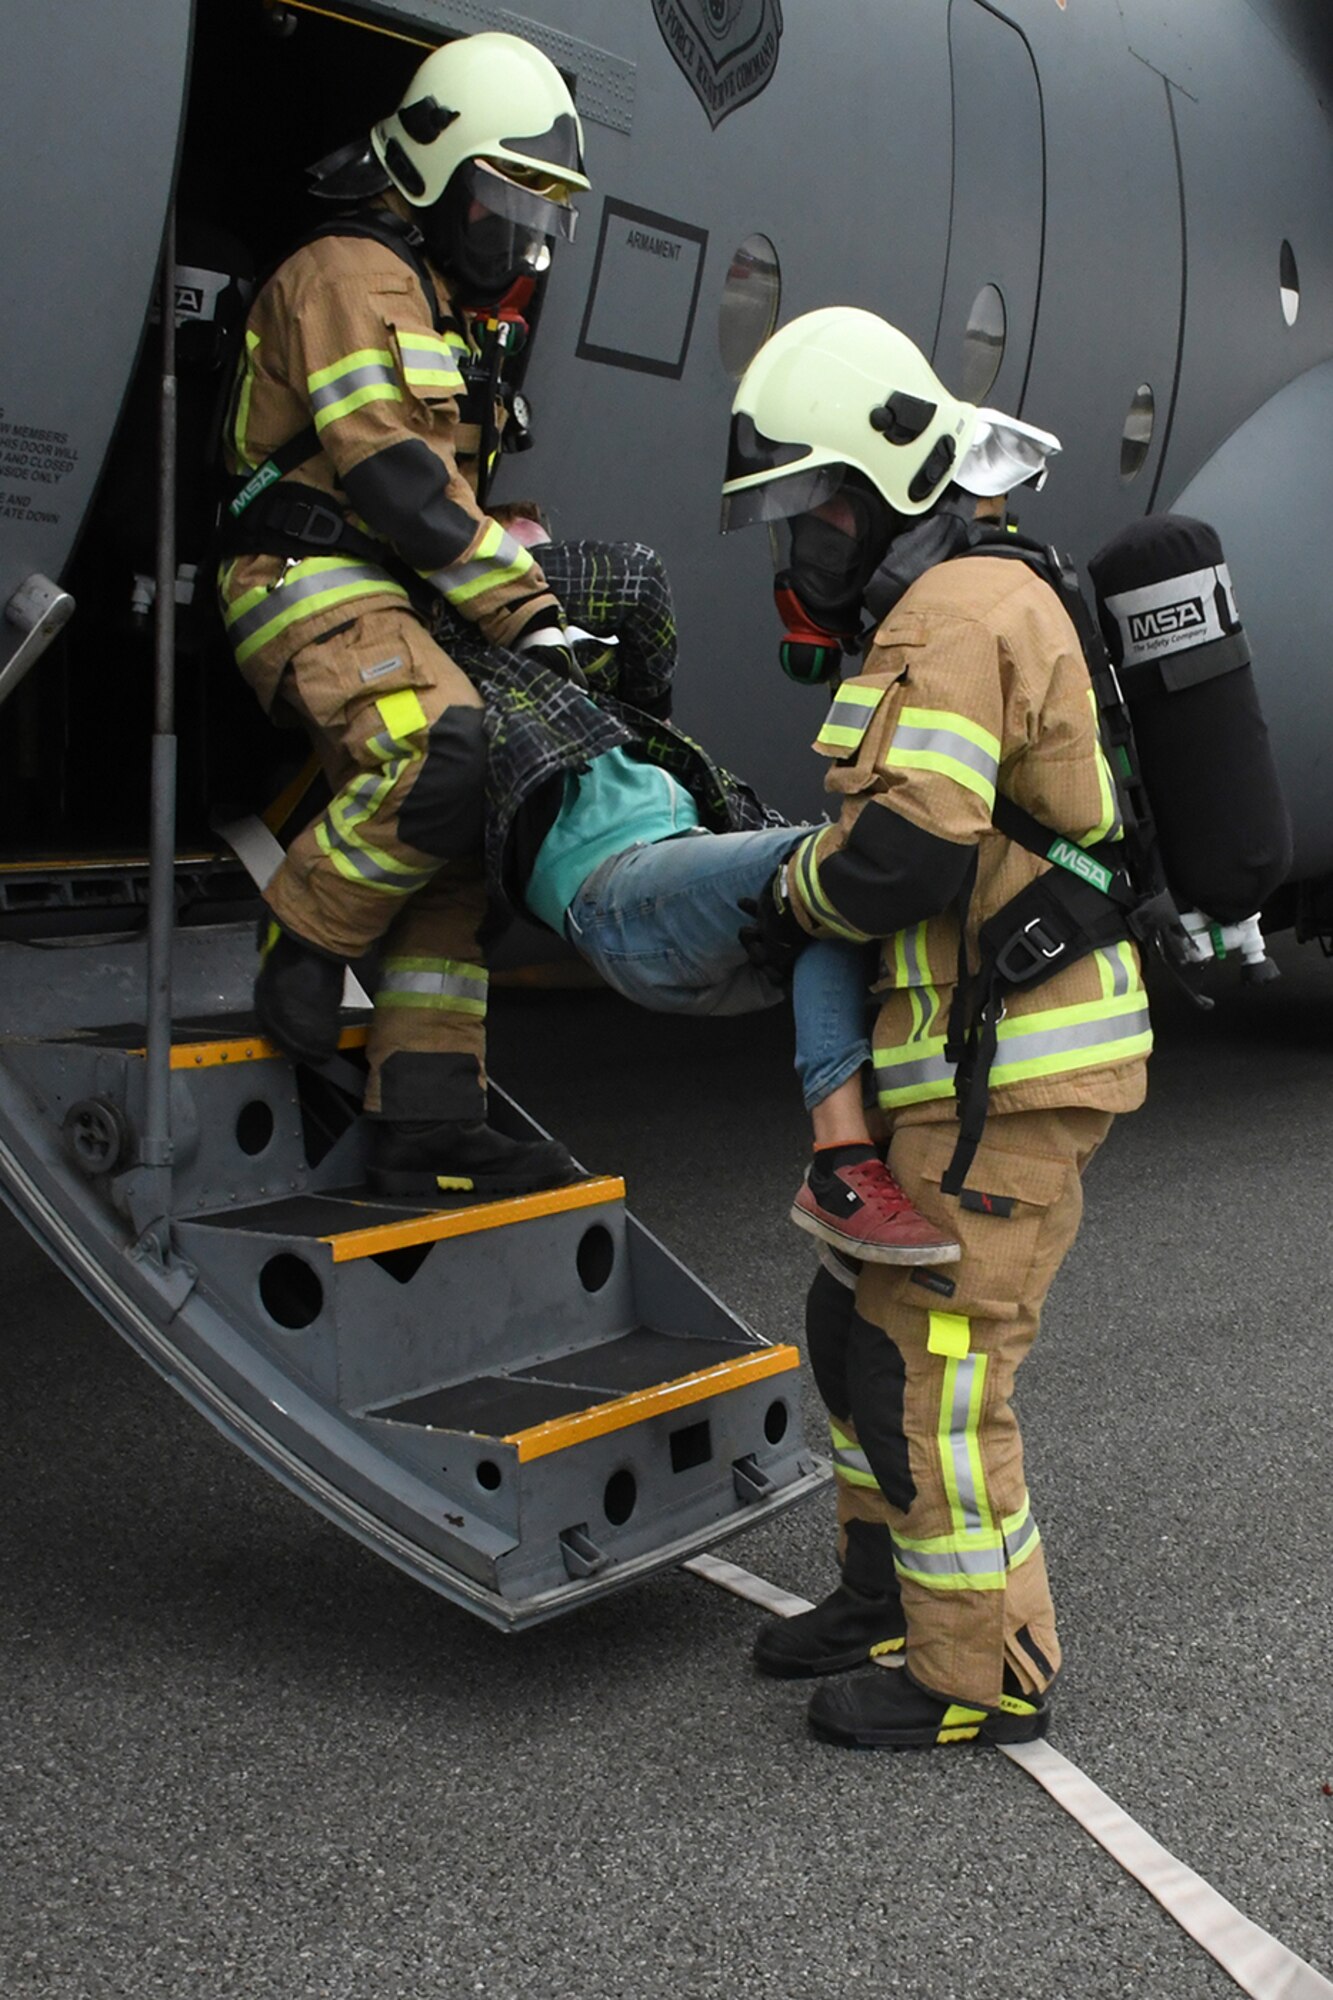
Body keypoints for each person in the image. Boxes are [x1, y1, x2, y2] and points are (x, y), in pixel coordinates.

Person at [718, 307, 1152, 1749]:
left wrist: (777, 887)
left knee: (936, 1370)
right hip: (955, 1060)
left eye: (816, 502)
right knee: (851, 1323)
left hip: (1014, 1070)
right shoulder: (942, 602)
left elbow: (903, 858)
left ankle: (981, 1676)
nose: (802, 539)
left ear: (892, 478)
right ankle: (879, 1595)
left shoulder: (959, 610)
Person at [217, 32, 592, 1199]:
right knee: (443, 745)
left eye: (538, 220)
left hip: (391, 589)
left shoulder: (436, 301)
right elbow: (392, 478)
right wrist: (526, 610)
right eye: (501, 203)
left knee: (462, 820)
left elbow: (450, 496)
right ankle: (307, 924)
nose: (516, 240)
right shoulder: (350, 274)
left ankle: (429, 1111)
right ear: (430, 173)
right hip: (302, 576)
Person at [439, 526, 959, 1266]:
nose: (543, 580)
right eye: (521, 552)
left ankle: (870, 1155)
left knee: (847, 909)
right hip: (619, 893)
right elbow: (628, 566)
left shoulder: (597, 704)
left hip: (676, 900)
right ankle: (839, 1164)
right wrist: (497, 570)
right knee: (833, 863)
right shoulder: (483, 669)